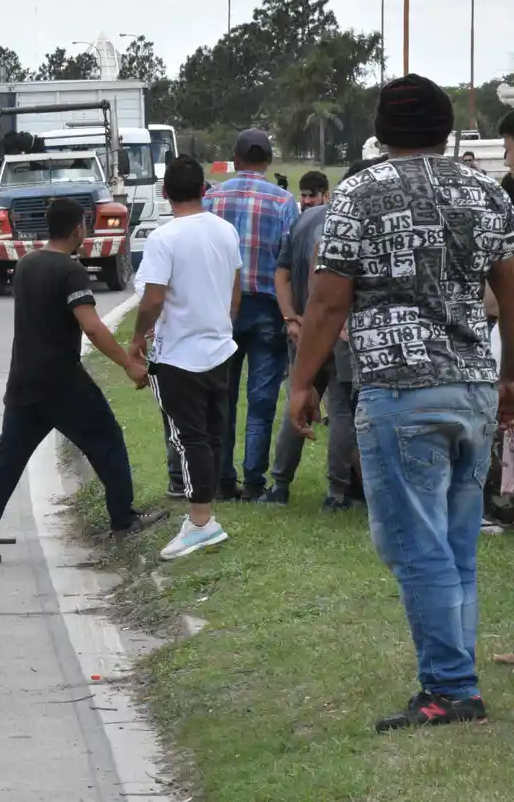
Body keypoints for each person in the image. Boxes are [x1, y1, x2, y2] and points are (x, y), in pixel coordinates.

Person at [289, 75, 514, 733]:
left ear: (383, 132)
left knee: (414, 544)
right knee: (456, 540)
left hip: (398, 388)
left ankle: (449, 686)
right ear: (447, 131)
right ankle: (457, 675)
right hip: (472, 385)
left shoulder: (359, 191)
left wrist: (304, 381)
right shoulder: (487, 191)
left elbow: (329, 300)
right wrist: (508, 376)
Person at [0, 199, 165, 565]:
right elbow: (92, 325)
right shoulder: (70, 271)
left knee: (8, 458)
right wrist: (127, 365)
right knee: (108, 441)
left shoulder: (26, 264)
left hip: (23, 379)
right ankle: (123, 519)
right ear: (79, 229)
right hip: (62, 381)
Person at [129, 156, 242, 560]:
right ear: (203, 190)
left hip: (179, 355)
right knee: (212, 434)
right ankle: (203, 516)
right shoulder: (226, 231)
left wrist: (137, 338)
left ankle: (200, 522)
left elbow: (153, 298)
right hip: (220, 348)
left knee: (187, 437)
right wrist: (222, 325)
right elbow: (235, 289)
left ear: (164, 194)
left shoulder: (164, 238)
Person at [204, 128, 299, 500]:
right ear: (268, 160)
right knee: (261, 401)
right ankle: (254, 482)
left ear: (236, 158)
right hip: (267, 309)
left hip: (222, 309)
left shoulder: (213, 198)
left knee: (221, 398)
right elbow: (287, 261)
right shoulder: (283, 201)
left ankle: (223, 480)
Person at [266, 164, 365, 508]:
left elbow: (281, 273)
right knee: (340, 412)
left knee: (298, 402)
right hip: (339, 331)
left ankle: (279, 485)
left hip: (303, 331)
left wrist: (290, 316)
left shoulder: (303, 219)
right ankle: (337, 493)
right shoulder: (354, 226)